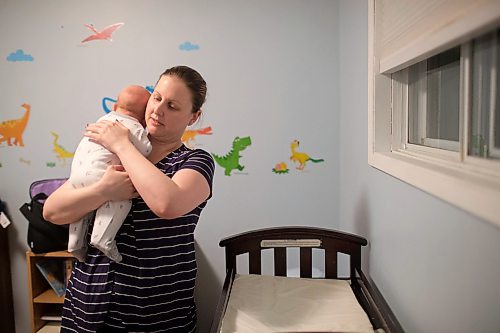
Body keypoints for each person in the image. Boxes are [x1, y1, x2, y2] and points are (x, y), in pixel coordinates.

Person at [43, 66, 215, 333]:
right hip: (89, 301)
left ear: (193, 117)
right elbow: (52, 211)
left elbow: (167, 204)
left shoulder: (194, 161)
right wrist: (103, 191)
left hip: (155, 312)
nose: (158, 111)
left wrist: (122, 144)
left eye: (172, 105)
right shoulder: (107, 153)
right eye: (156, 98)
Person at [67, 85, 152, 263]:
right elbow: (145, 150)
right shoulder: (134, 126)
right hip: (101, 174)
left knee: (83, 209)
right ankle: (103, 239)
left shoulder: (102, 121)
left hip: (76, 175)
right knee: (121, 199)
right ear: (144, 115)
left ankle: (74, 242)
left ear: (115, 106)